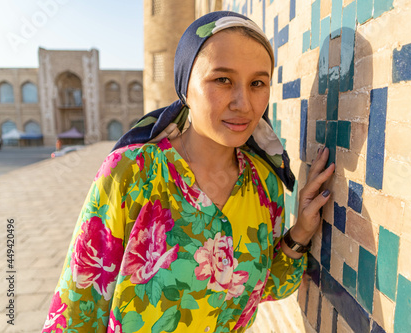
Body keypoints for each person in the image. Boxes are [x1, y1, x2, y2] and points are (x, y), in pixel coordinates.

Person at [42, 11, 335, 333]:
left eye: (257, 84)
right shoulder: (134, 172)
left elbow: (267, 287)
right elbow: (77, 305)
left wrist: (302, 232)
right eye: (222, 79)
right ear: (185, 88)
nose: (243, 103)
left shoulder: (264, 185)